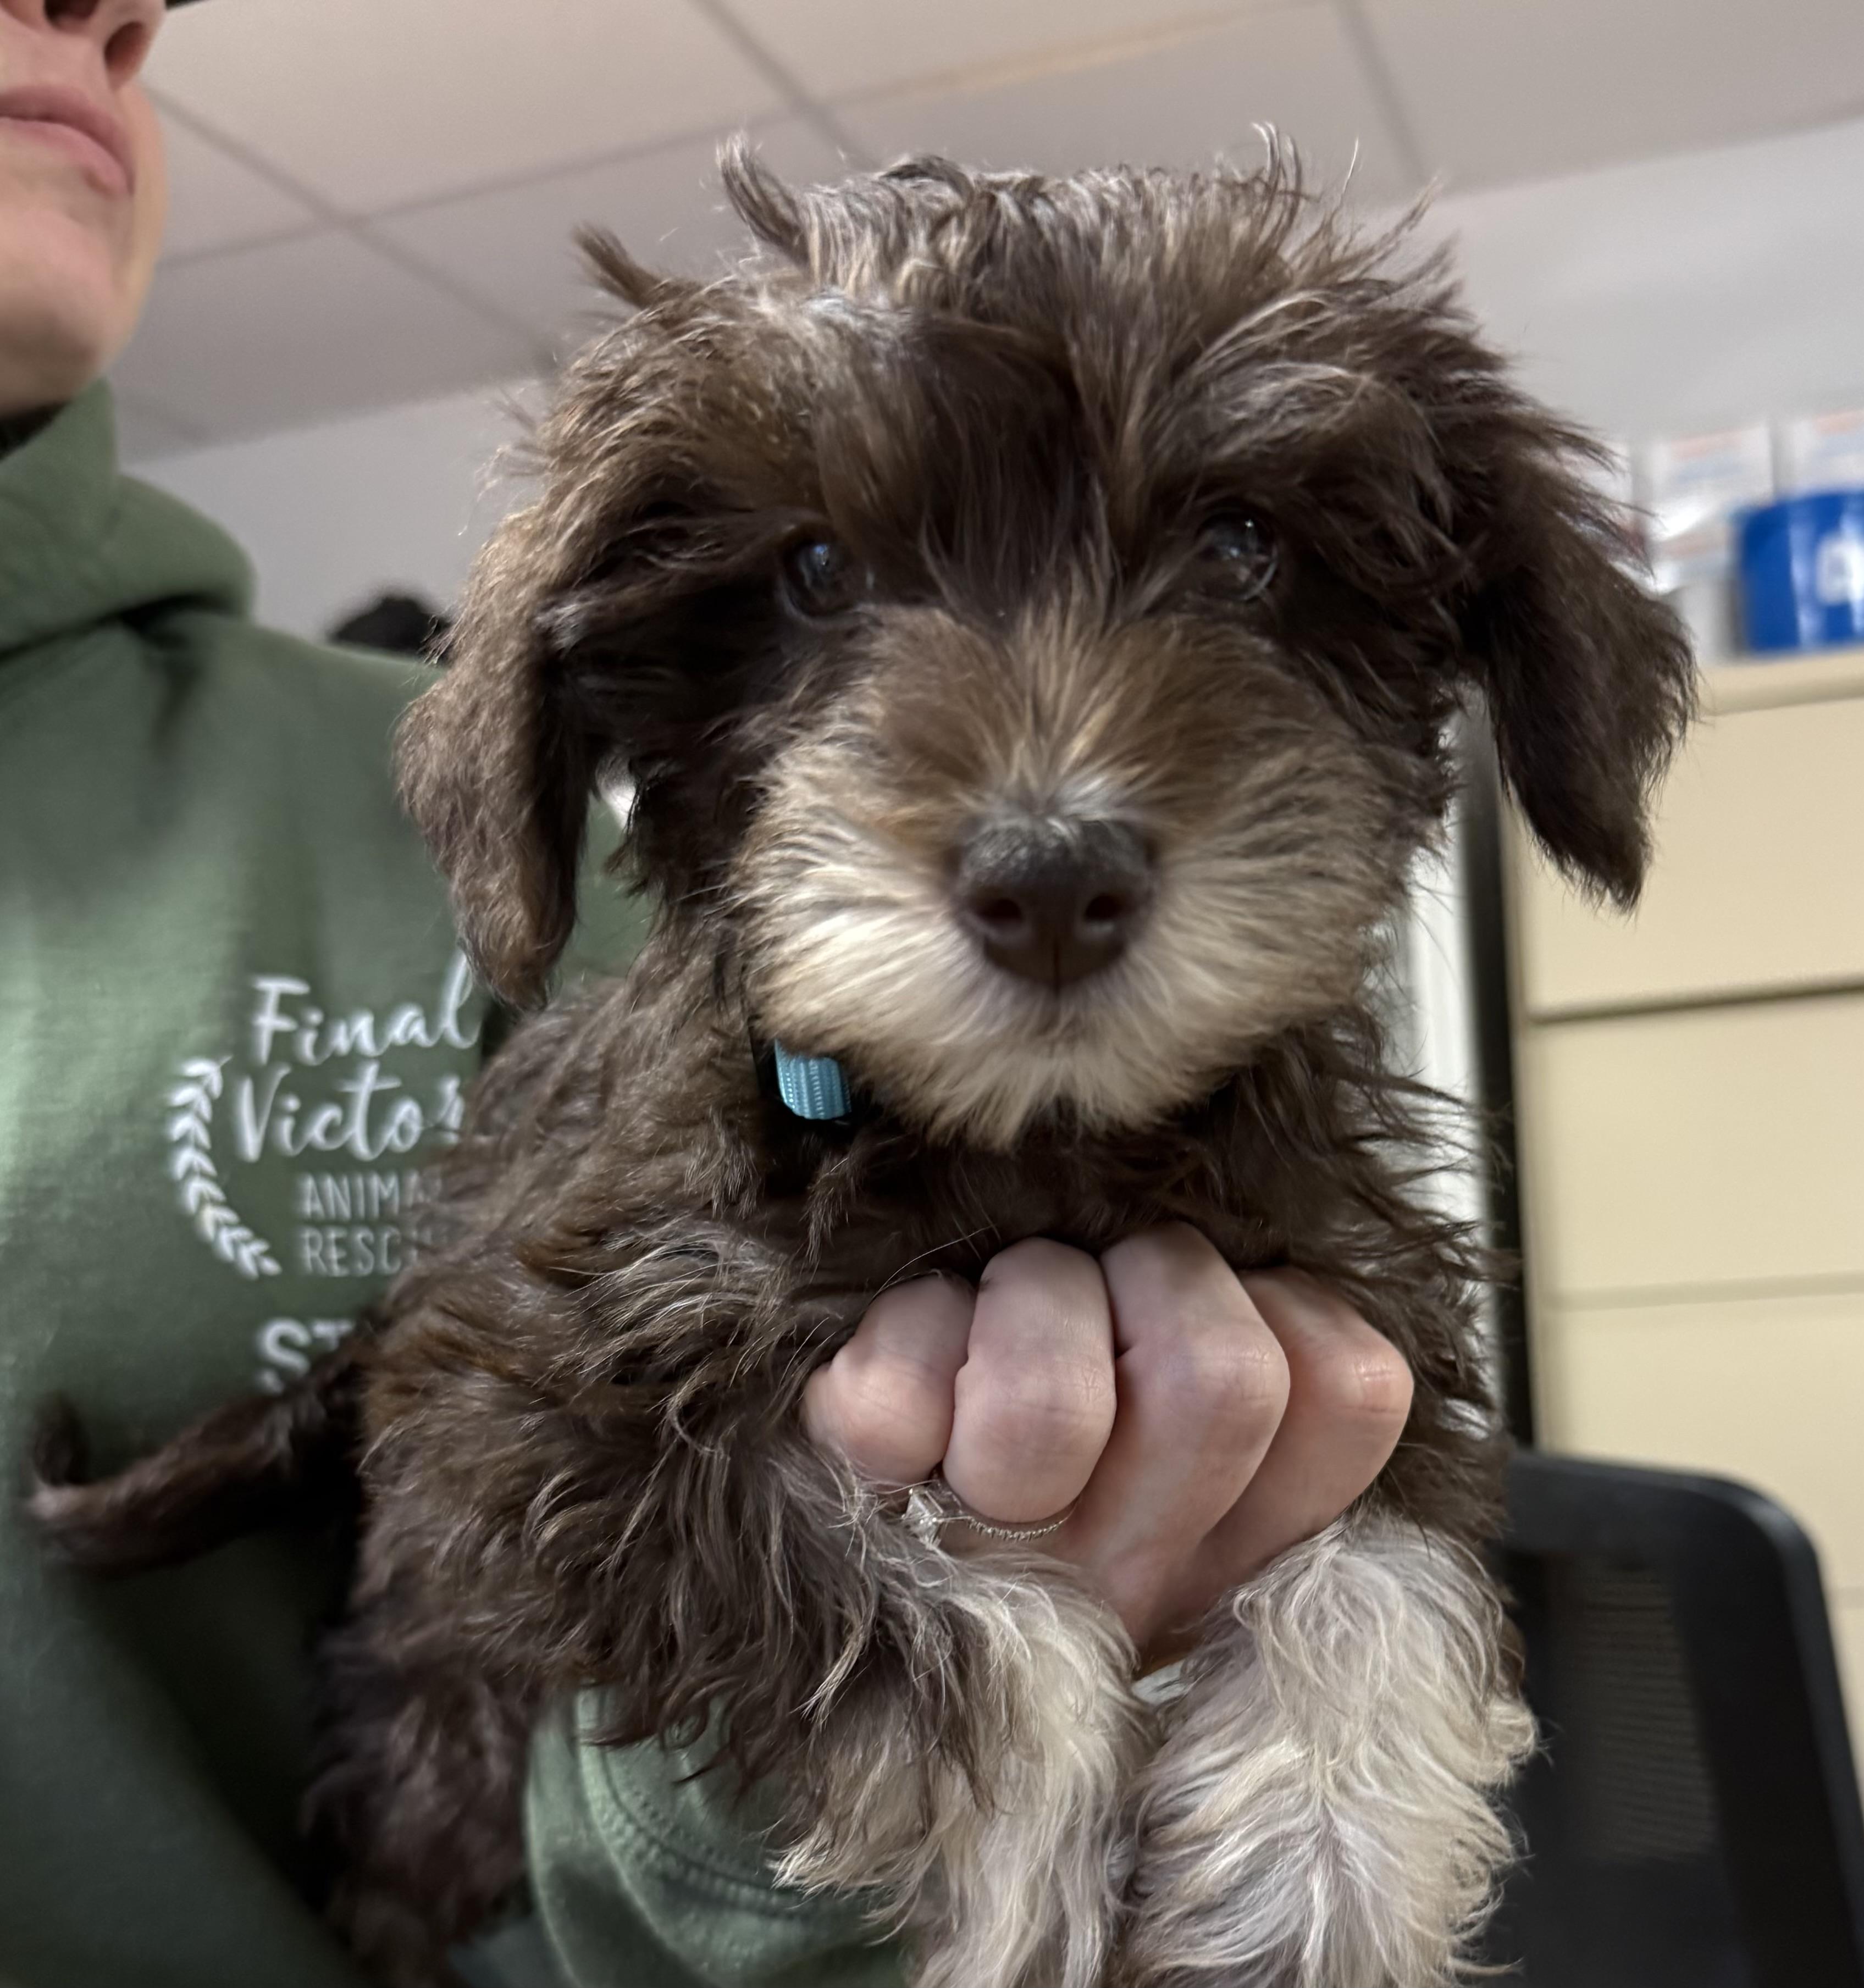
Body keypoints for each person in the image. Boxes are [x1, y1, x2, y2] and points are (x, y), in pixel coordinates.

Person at [0, 3, 1415, 1984]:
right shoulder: (533, 836)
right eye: (824, 580)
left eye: (1241, 549)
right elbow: (514, 1441)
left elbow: (638, 1850)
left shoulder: (453, 836)